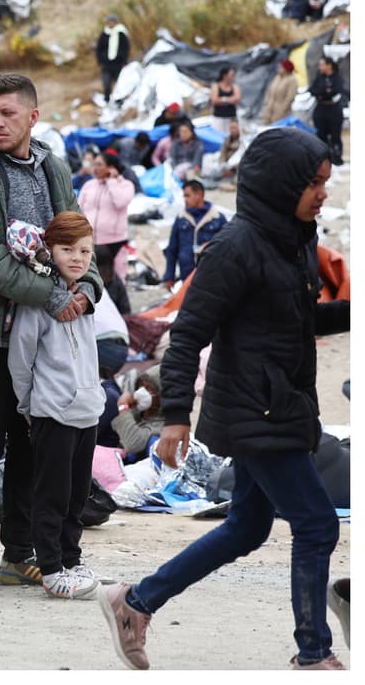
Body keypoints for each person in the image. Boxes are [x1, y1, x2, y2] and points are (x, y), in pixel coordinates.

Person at [100, 127, 348, 671]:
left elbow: (303, 318)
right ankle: (314, 652)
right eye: (315, 183)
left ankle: (135, 602)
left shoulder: (296, 238)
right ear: (284, 184)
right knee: (316, 523)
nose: (323, 193)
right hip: (254, 411)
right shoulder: (235, 248)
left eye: (326, 183)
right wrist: (173, 419)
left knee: (246, 527)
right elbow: (187, 334)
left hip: (284, 403)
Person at [0, 72, 104, 598]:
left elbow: (77, 238)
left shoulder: (53, 167)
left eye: (7, 114)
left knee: (30, 444)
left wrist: (90, 290)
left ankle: (18, 553)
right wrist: (53, 297)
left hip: (43, 334)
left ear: (32, 116)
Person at [6, 212, 105, 600]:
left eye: (85, 250)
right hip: (52, 413)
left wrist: (94, 396)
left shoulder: (86, 298)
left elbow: (91, 357)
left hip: (87, 412)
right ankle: (49, 569)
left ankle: (71, 558)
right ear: (50, 251)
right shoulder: (38, 303)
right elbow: (21, 359)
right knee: (52, 494)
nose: (77, 258)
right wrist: (30, 406)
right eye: (67, 250)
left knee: (78, 494)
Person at [78, 151, 134, 285]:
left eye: (99, 165)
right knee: (90, 278)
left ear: (111, 167)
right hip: (90, 240)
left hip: (114, 241)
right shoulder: (89, 185)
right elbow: (78, 209)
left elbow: (120, 202)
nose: (95, 168)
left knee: (115, 280)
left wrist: (112, 181)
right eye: (94, 164)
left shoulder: (125, 185)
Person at [161, 179, 227, 289]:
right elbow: (172, 249)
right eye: (184, 196)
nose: (185, 200)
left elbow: (227, 248)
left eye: (188, 196)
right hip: (187, 275)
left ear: (199, 194)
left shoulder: (217, 218)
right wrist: (169, 276)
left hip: (210, 275)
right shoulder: (181, 219)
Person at [111, 365, 163, 460]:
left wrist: (123, 408)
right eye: (141, 385)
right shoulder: (140, 411)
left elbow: (132, 443)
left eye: (148, 388)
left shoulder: (164, 424)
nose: (141, 391)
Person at [310, 55, 347, 166]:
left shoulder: (337, 78)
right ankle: (323, 159)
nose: (320, 67)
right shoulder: (319, 77)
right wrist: (324, 91)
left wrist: (325, 92)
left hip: (334, 110)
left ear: (329, 66)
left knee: (335, 136)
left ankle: (336, 158)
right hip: (321, 109)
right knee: (321, 136)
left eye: (322, 64)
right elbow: (313, 90)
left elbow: (337, 91)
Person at [95, 13, 131, 101]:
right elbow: (99, 48)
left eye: (112, 22)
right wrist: (100, 60)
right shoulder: (104, 34)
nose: (110, 23)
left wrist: (124, 61)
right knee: (106, 84)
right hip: (107, 65)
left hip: (118, 64)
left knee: (119, 84)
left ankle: (119, 100)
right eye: (109, 22)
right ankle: (107, 100)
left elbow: (126, 48)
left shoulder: (121, 34)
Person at [261, 59, 300, 125]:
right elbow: (270, 91)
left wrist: (282, 110)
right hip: (269, 110)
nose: (279, 69)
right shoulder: (277, 77)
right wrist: (266, 103)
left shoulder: (292, 80)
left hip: (281, 112)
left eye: (281, 67)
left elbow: (290, 98)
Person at [209, 66, 241, 135]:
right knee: (217, 136)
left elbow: (237, 98)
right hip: (218, 118)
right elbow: (214, 100)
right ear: (225, 76)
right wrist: (229, 100)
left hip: (231, 118)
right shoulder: (216, 86)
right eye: (231, 75)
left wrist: (223, 100)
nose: (233, 77)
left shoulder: (234, 86)